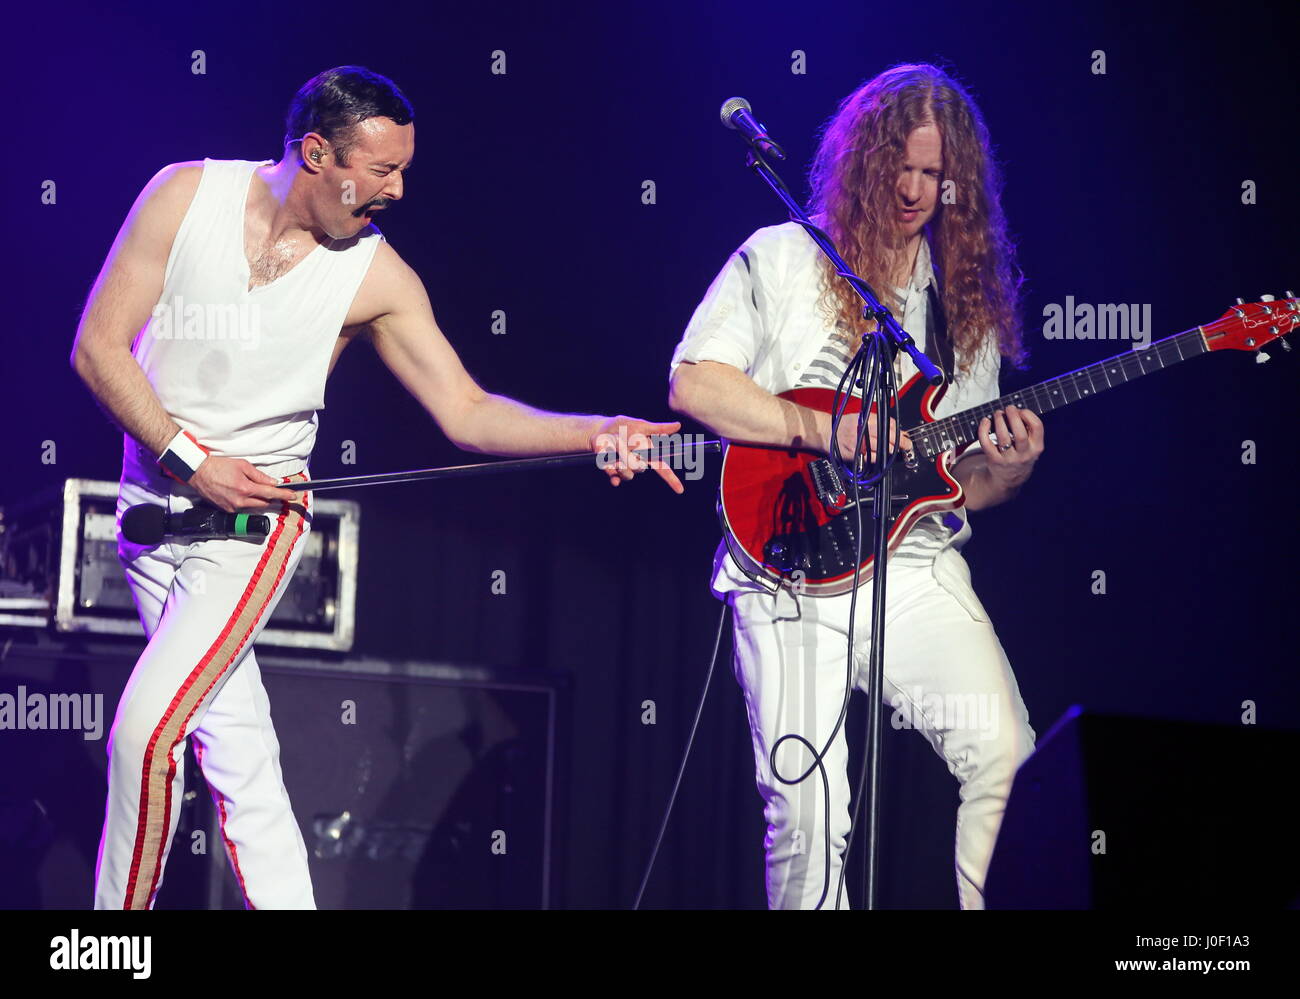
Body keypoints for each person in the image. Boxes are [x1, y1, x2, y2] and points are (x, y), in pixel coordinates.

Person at [71, 65, 682, 910]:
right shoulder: (182, 197)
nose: (395, 191)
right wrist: (187, 459)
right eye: (381, 170)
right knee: (238, 749)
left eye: (404, 171)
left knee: (145, 732)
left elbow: (467, 410)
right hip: (154, 509)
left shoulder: (376, 278)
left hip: (254, 529)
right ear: (315, 152)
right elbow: (98, 348)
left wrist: (596, 432)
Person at [668, 64, 1043, 909]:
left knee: (1008, 756)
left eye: (934, 175)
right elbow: (695, 385)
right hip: (788, 566)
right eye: (901, 168)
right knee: (809, 816)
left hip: (908, 564)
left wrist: (1006, 472)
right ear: (863, 160)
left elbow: (960, 485)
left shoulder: (964, 307)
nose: (914, 190)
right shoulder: (784, 257)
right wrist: (821, 428)